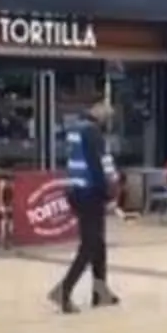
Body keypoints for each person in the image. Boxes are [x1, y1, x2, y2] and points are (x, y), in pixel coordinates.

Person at [48, 101, 120, 314]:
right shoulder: (93, 133)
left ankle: (100, 291)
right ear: (103, 118)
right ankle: (64, 290)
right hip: (90, 192)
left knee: (98, 244)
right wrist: (108, 194)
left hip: (76, 190)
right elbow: (97, 165)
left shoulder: (76, 129)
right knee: (89, 245)